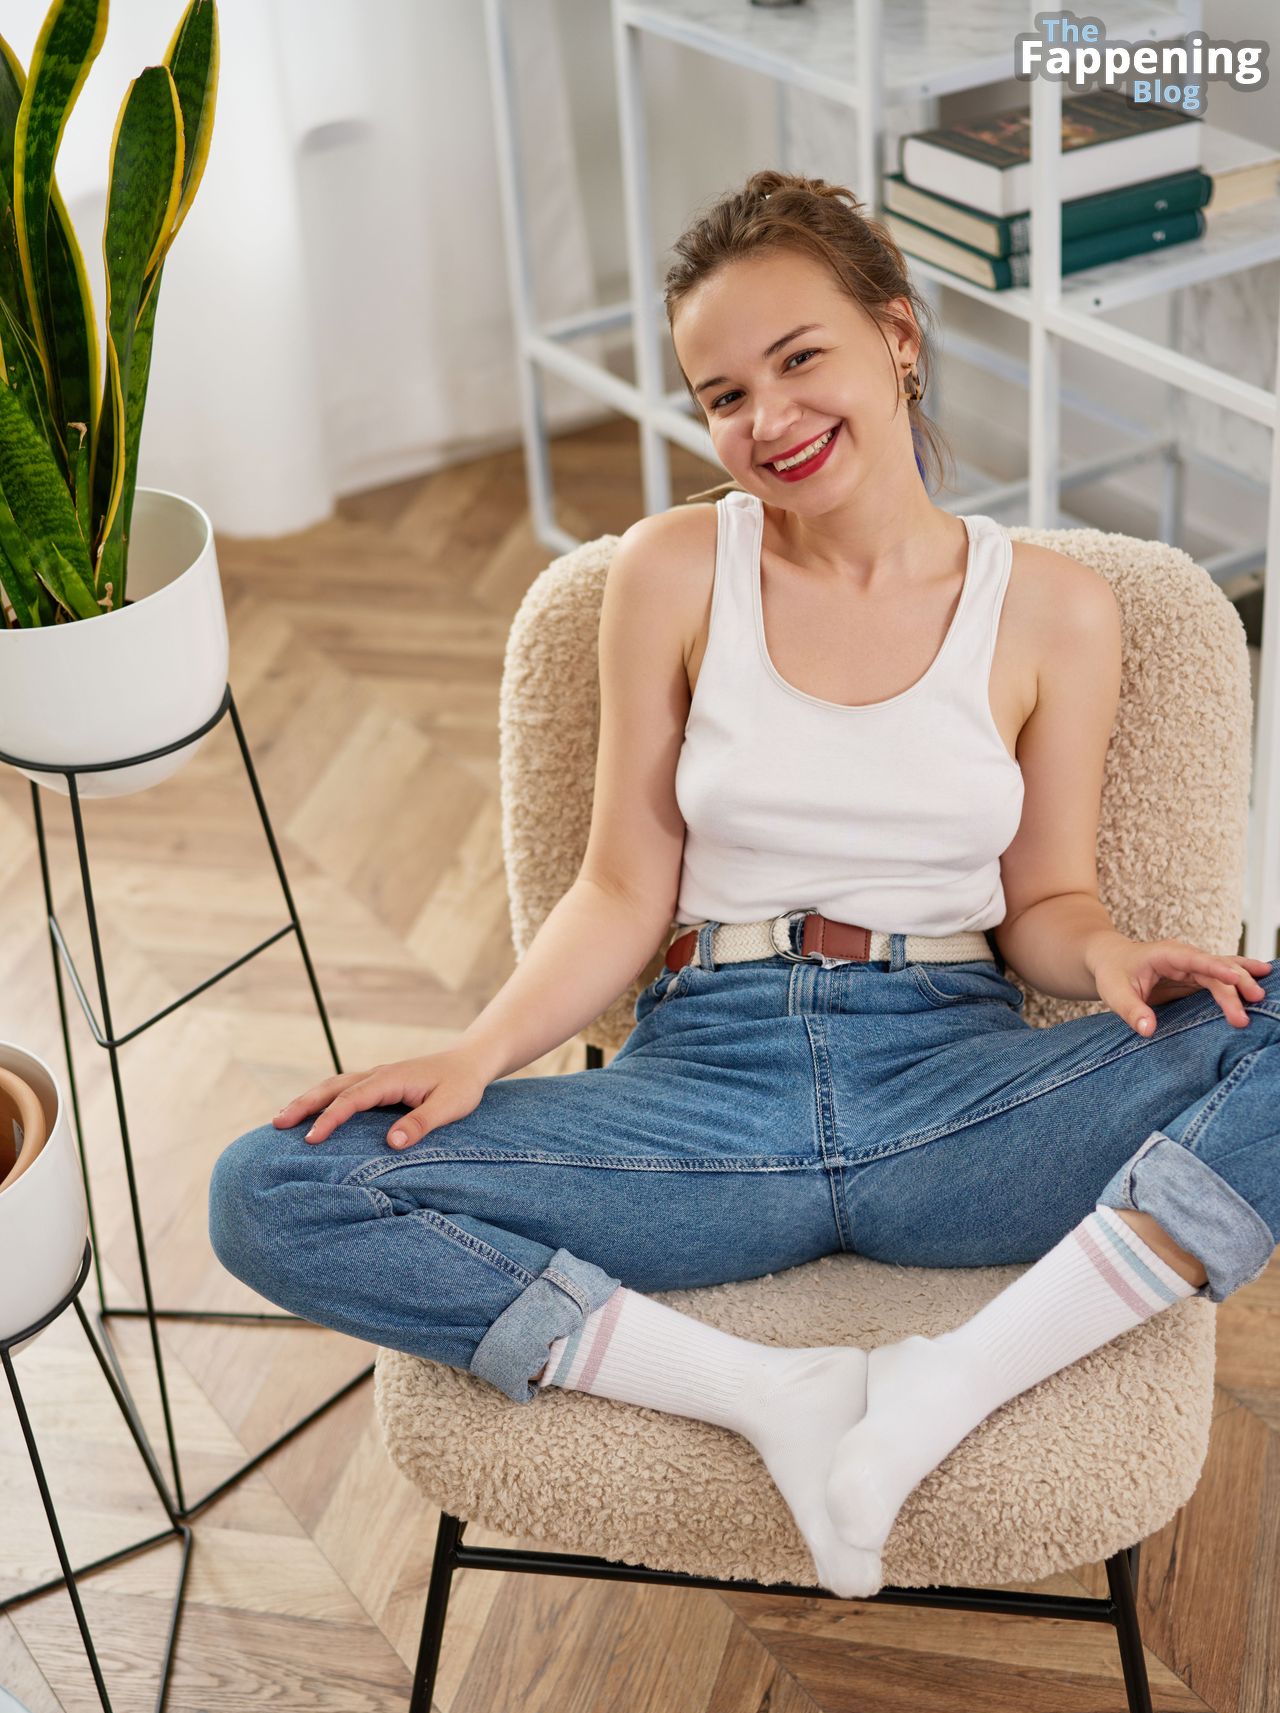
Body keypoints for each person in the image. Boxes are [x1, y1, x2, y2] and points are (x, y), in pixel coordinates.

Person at [208, 171, 1278, 1600]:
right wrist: (477, 1054)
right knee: (271, 1185)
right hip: (707, 1104)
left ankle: (951, 1384)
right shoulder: (671, 570)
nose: (766, 419)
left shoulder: (1057, 609)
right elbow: (619, 886)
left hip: (956, 1103)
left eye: (798, 359)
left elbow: (1046, 907)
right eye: (723, 394)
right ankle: (772, 1396)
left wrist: (1111, 958)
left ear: (896, 335)